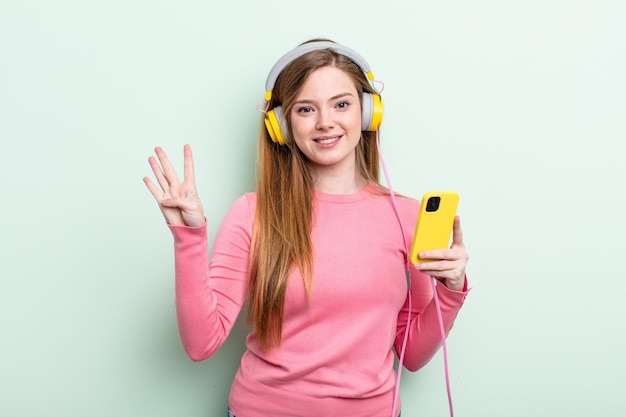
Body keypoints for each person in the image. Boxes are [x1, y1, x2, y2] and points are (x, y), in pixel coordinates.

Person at [144, 39, 470, 417]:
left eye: (341, 104)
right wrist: (189, 239)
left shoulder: (407, 216)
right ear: (281, 125)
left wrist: (451, 291)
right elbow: (201, 345)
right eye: (305, 109)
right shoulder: (253, 213)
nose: (325, 122)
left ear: (368, 112)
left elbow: (412, 354)